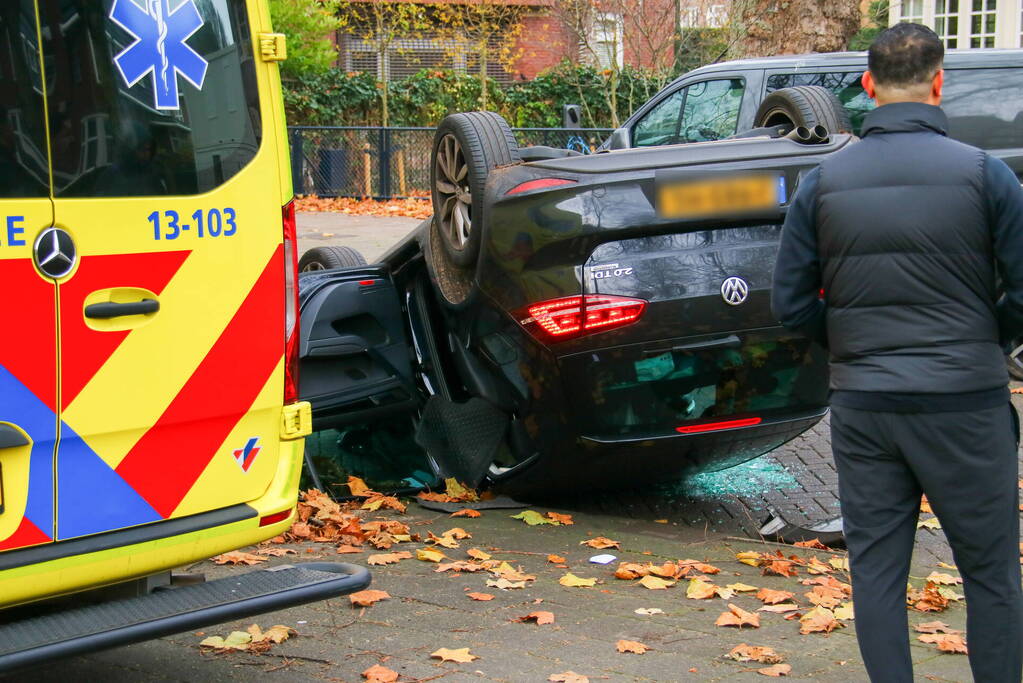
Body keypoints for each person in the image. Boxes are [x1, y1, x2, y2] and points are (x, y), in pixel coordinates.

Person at [771, 23, 1023, 683]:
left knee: (876, 572)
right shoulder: (985, 175)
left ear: (866, 86)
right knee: (990, 572)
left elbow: (790, 303)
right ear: (938, 82)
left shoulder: (821, 183)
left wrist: (853, 342)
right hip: (965, 404)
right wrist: (987, 338)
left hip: (866, 407)